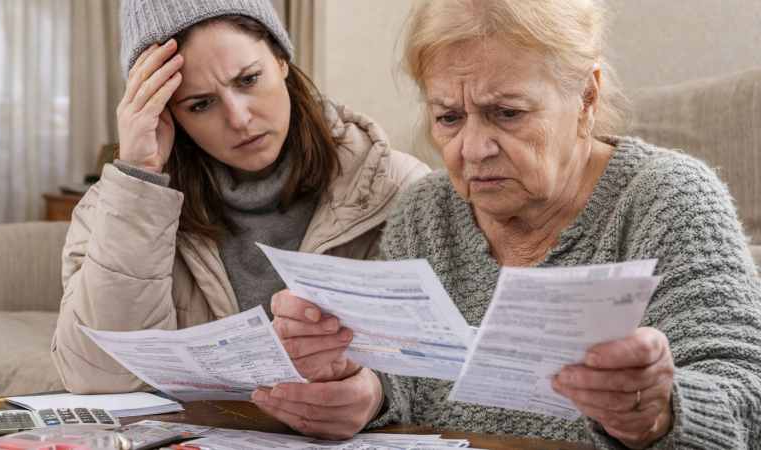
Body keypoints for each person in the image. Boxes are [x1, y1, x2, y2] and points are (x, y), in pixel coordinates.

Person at [257, 0, 761, 448]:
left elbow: (747, 397)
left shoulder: (668, 199)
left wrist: (662, 411)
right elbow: (406, 379)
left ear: (586, 98)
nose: (473, 150)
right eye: (449, 118)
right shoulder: (426, 210)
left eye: (507, 113)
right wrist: (363, 392)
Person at [51, 0, 428, 396]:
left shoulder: (399, 188)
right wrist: (139, 183)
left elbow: (439, 376)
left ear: (281, 58)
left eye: (248, 80)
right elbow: (96, 378)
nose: (239, 118)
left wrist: (373, 399)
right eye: (200, 104)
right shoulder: (114, 208)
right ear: (166, 113)